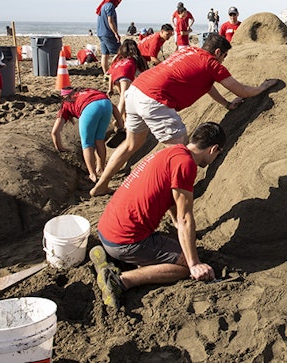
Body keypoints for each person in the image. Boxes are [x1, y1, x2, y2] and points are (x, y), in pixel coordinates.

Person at [90, 33, 279, 197]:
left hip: (136, 90)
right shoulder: (211, 63)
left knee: (131, 144)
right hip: (154, 99)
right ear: (218, 52)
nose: (223, 61)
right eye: (224, 56)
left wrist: (226, 104)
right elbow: (242, 90)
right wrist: (263, 87)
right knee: (179, 151)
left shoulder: (188, 52)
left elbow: (207, 85)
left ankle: (101, 185)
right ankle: (169, 194)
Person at [90, 122, 227, 308]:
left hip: (107, 228)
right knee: (184, 266)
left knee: (177, 245)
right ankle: (120, 280)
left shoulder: (174, 151)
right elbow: (185, 217)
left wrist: (175, 223)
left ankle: (109, 259)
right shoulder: (186, 165)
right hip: (124, 240)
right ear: (214, 149)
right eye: (217, 154)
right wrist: (194, 263)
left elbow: (171, 198)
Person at [51, 88, 123, 183]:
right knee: (99, 139)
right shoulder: (89, 91)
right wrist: (121, 126)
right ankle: (101, 169)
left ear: (63, 97)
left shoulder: (66, 103)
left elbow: (55, 132)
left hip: (89, 108)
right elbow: (114, 107)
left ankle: (92, 174)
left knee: (87, 143)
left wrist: (59, 147)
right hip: (106, 104)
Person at [107, 39, 148, 121]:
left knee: (123, 98)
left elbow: (110, 74)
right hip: (125, 74)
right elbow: (143, 74)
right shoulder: (135, 59)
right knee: (124, 98)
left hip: (115, 76)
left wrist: (110, 88)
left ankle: (124, 122)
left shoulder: (118, 58)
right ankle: (117, 121)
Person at [95, 0, 123, 74]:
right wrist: (116, 33)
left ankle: (106, 73)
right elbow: (110, 21)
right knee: (120, 52)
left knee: (105, 55)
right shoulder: (110, 6)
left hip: (101, 33)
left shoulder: (103, 6)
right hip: (108, 34)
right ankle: (111, 71)